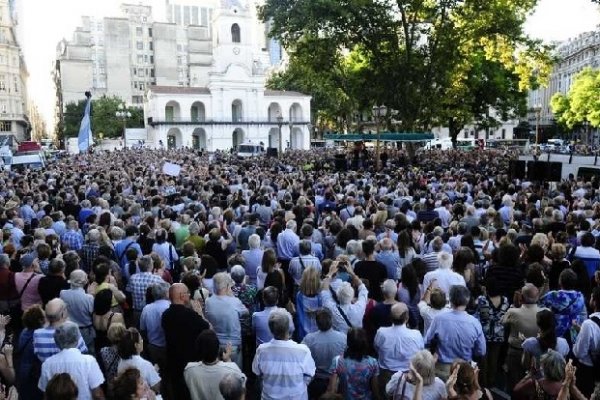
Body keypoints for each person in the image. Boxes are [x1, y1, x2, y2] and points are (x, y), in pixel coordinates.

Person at [252, 309, 316, 400]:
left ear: (270, 330)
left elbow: (258, 374)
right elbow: (311, 375)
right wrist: (299, 387)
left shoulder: (261, 350)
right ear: (288, 328)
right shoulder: (303, 351)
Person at [425, 285, 485, 380]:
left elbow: (427, 341)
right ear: (467, 300)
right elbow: (481, 351)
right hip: (464, 370)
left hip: (442, 369)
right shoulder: (475, 323)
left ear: (451, 300)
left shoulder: (439, 319)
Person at [161, 283, 209, 400]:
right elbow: (208, 328)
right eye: (187, 293)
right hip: (190, 362)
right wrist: (200, 313)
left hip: (173, 360)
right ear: (182, 296)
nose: (189, 296)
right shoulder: (191, 316)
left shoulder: (165, 315)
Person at [38, 321, 105, 400]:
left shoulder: (47, 364)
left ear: (57, 341)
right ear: (77, 339)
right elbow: (97, 394)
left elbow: (45, 394)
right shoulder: (89, 361)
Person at [502, 283, 546, 392]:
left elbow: (502, 322)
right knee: (534, 387)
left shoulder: (513, 312)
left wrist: (513, 306)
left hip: (516, 352)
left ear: (521, 297)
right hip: (537, 354)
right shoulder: (545, 312)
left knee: (515, 385)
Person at [374, 302, 424, 396]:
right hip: (408, 375)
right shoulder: (416, 335)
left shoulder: (381, 332)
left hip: (387, 374)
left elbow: (377, 348)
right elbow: (420, 352)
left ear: (391, 317)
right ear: (407, 317)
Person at [184, 329, 246, 400]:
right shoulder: (232, 369)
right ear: (218, 349)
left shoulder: (189, 370)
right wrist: (228, 359)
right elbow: (241, 393)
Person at [205, 272, 249, 368]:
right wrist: (232, 296)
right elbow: (246, 313)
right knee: (234, 374)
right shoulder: (234, 301)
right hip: (232, 344)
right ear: (227, 286)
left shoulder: (208, 301)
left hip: (215, 344)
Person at [302, 308, 347, 400]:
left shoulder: (309, 339)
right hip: (337, 381)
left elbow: (301, 357)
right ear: (331, 321)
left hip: (317, 381)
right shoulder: (343, 338)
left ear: (316, 323)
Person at [474, 276, 510, 388]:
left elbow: (476, 310)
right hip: (499, 334)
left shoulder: (482, 299)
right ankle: (492, 381)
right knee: (494, 359)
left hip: (484, 335)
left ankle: (483, 383)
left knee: (483, 360)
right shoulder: (505, 300)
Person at [327, 327, 380, 400]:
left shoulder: (337, 361)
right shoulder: (373, 362)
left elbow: (332, 390)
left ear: (348, 342)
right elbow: (375, 390)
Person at [539, 268, 587, 343]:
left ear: (560, 281)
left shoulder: (554, 295)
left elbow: (539, 305)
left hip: (555, 332)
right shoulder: (580, 297)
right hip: (573, 332)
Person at [321, 260, 369, 333]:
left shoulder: (331, 308)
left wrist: (330, 273)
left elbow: (324, 290)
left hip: (340, 341)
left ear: (338, 294)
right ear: (352, 295)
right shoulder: (359, 307)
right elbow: (362, 288)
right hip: (356, 339)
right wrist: (351, 273)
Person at [33, 298, 87, 362]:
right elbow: (83, 351)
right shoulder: (72, 331)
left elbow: (38, 355)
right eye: (65, 308)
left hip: (48, 370)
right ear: (63, 314)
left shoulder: (37, 334)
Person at [573, 286, 600, 398]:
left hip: (588, 371)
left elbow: (579, 353)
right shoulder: (589, 325)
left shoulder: (588, 324)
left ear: (594, 301)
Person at [117, 327, 161, 395]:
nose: (142, 341)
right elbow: (157, 387)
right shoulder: (145, 364)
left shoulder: (120, 363)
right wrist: (154, 371)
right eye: (141, 339)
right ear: (136, 345)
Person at [60, 269, 95, 353]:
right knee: (89, 354)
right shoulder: (89, 298)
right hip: (86, 331)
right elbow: (92, 314)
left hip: (69, 329)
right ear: (85, 281)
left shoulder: (62, 293)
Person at [15, 305, 45, 400]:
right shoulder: (37, 338)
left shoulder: (24, 332)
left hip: (23, 372)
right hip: (33, 374)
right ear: (40, 320)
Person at [126, 255, 164, 327]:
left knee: (140, 334)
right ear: (151, 266)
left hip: (137, 312)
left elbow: (128, 292)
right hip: (152, 313)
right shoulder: (157, 279)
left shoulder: (132, 278)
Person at [139, 282, 170, 371]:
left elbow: (142, 329)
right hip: (168, 346)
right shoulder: (170, 306)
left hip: (153, 346)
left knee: (156, 371)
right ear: (166, 293)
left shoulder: (147, 308)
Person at [295, 267, 322, 340]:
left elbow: (300, 315)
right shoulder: (321, 295)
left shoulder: (299, 295)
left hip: (304, 332)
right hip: (319, 331)